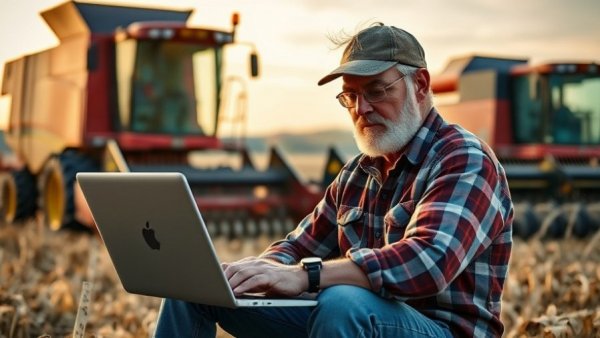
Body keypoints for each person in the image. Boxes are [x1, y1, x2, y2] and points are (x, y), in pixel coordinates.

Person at [154, 23, 513, 338]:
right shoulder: (358, 173)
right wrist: (260, 271)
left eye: (376, 90)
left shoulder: (464, 158)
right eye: (351, 95)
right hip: (360, 319)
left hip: (440, 329)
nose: (361, 108)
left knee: (343, 302)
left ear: (419, 84)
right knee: (198, 288)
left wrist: (306, 276)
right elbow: (299, 246)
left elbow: (428, 263)